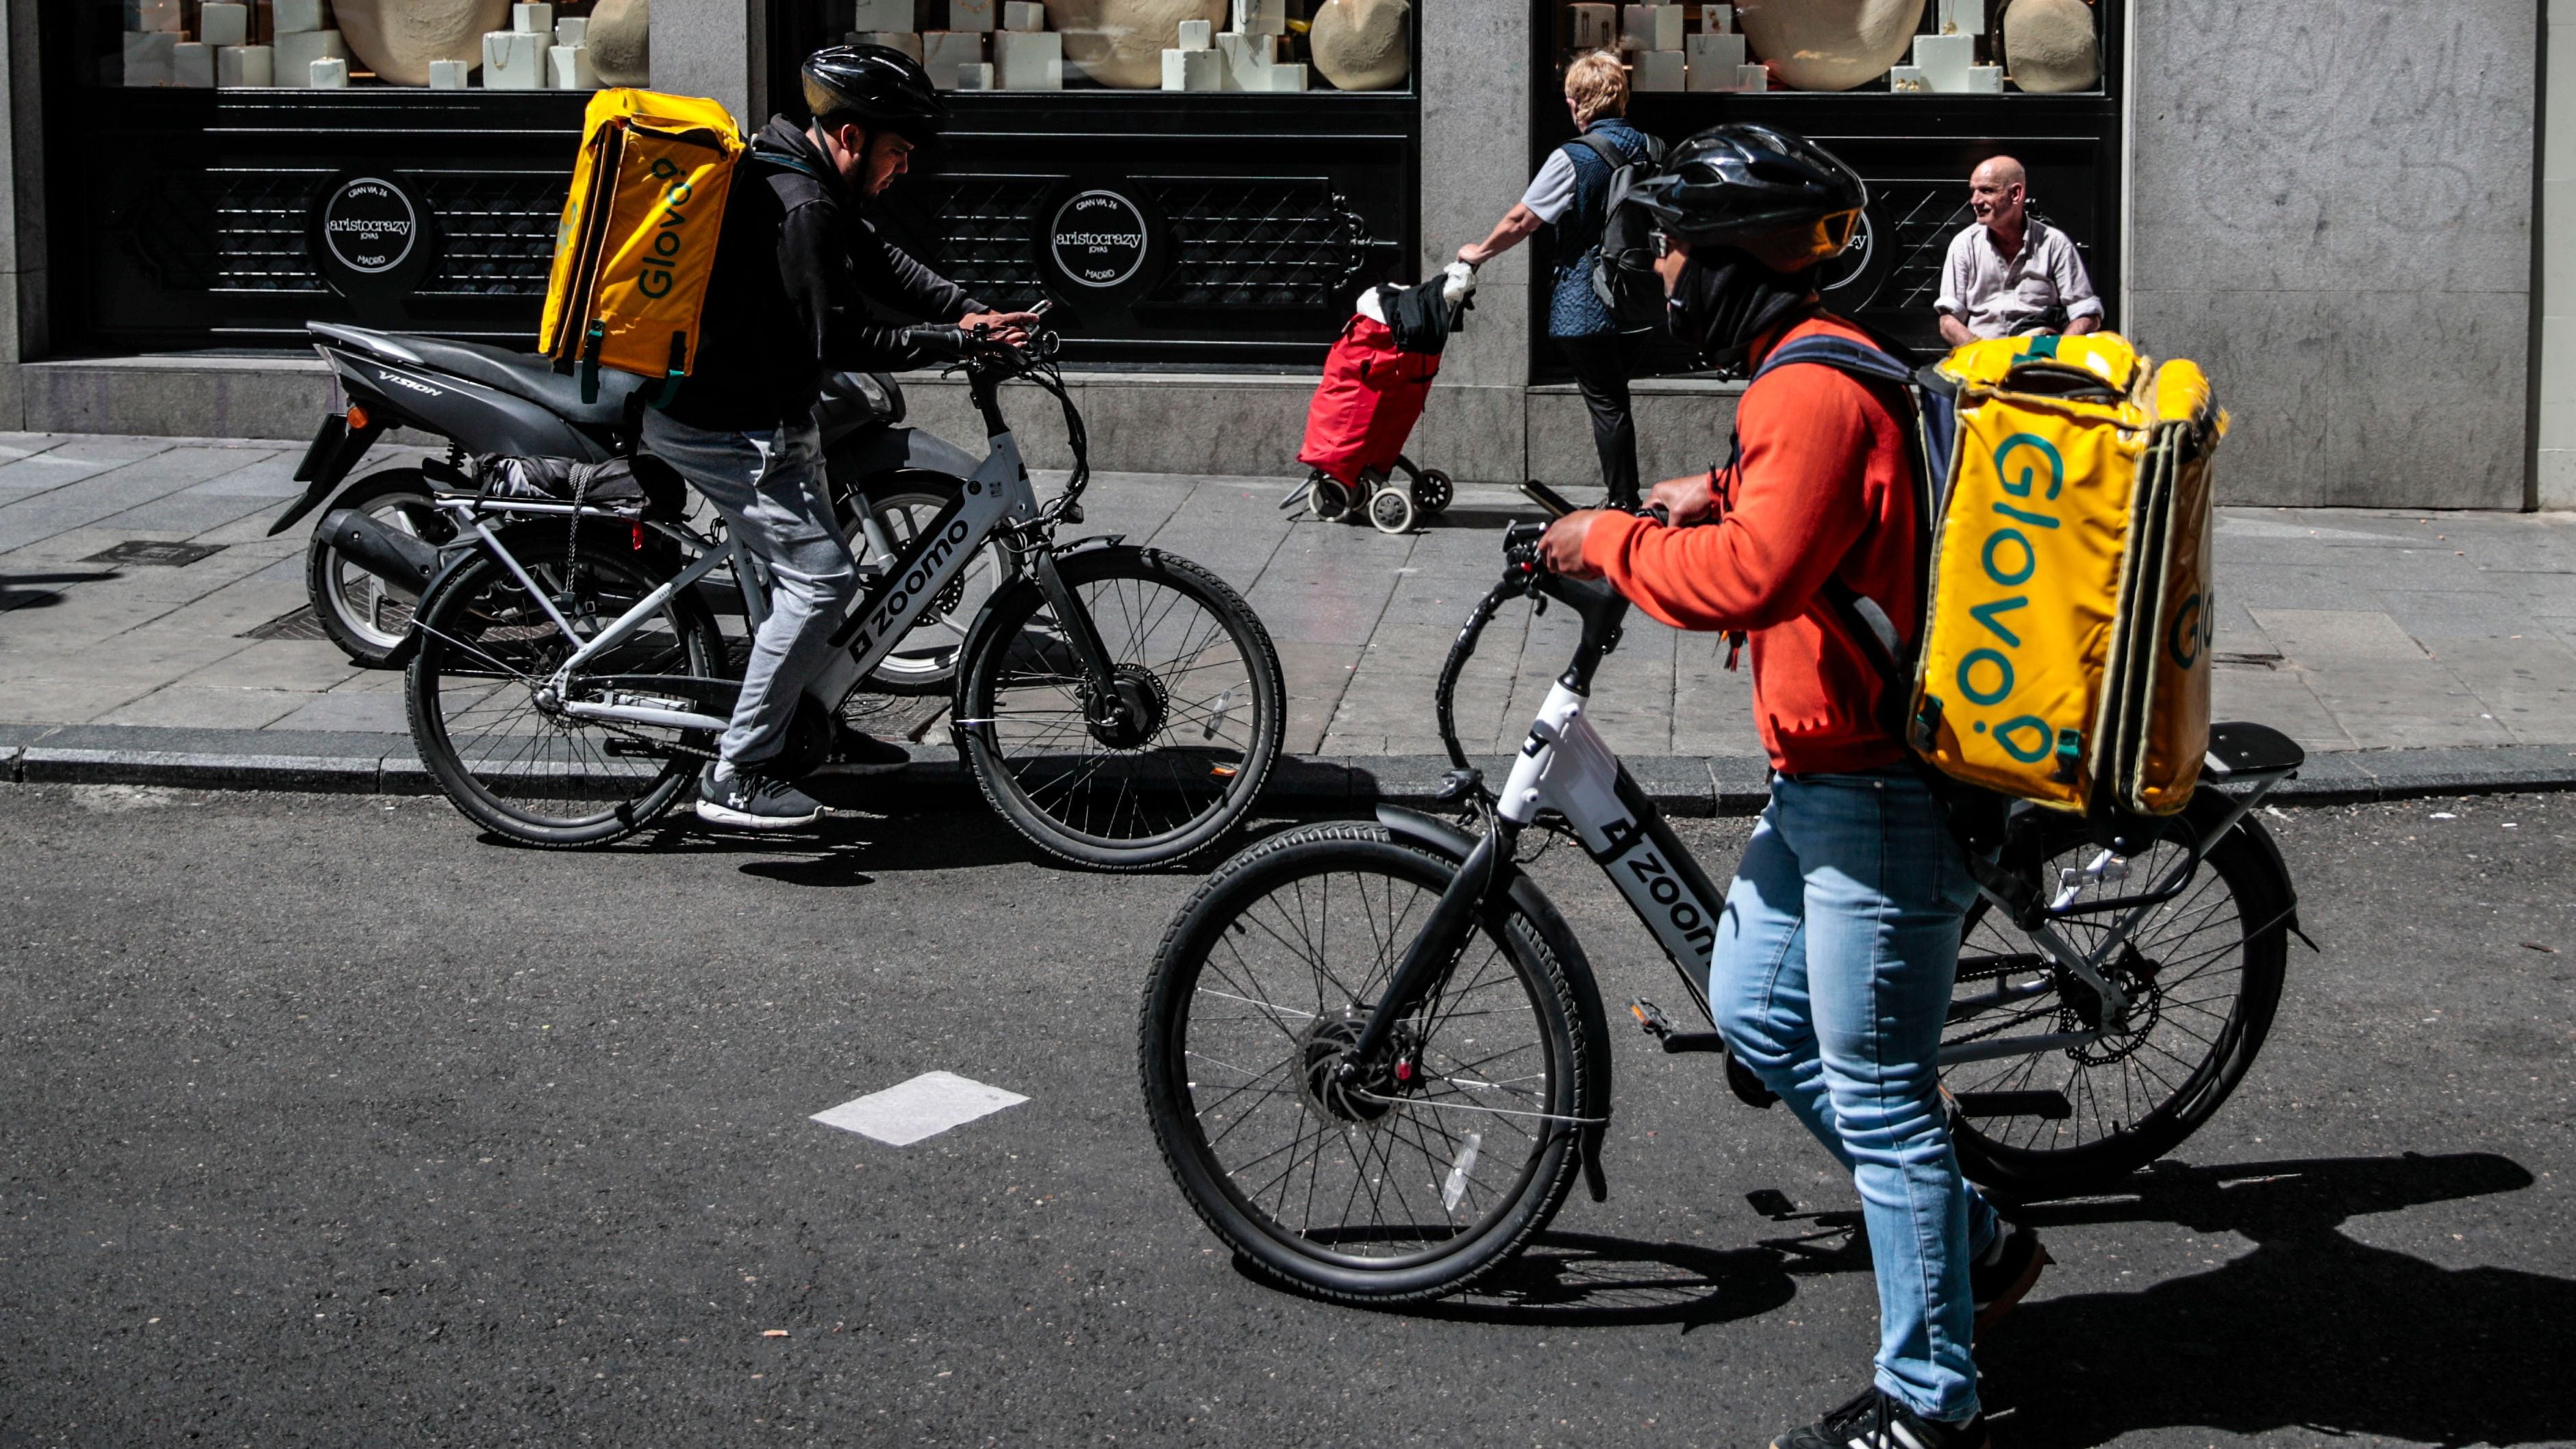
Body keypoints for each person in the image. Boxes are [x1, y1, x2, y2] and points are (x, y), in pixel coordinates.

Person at [1534, 124, 2049, 1449]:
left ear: (1731, 265)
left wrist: (1609, 539)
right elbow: (1820, 502)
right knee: (1759, 1017)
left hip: (1879, 795)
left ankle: (1930, 1404)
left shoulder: (1803, 389)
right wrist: (1714, 487)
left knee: (1880, 1098)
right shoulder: (1821, 374)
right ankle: (1975, 1244)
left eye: (1673, 249)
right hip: (1821, 782)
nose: (1657, 272)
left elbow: (1752, 579)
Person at [649, 45, 1041, 831]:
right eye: (896, 151)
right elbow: (841, 339)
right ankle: (737, 773)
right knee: (823, 583)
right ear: (853, 137)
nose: (902, 169)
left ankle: (805, 722)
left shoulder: (805, 178)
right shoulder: (800, 204)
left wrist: (967, 311)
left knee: (823, 582)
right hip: (723, 423)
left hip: (764, 410)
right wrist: (956, 345)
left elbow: (880, 260)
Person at [1456, 50, 1656, 508]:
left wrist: (1479, 253)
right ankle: (1621, 498)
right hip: (1642, 300)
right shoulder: (1652, 149)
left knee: (1608, 404)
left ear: (1574, 102)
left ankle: (1623, 505)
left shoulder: (1573, 157)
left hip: (1589, 301)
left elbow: (1522, 219)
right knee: (1612, 397)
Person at [1934, 155, 2103, 345]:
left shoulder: (2054, 243)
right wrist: (1982, 355)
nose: (1975, 200)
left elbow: (2087, 313)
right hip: (1981, 357)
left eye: (1986, 191)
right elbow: (1948, 321)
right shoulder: (1964, 244)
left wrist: (2057, 353)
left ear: (2016, 194)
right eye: (1973, 191)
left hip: (2038, 356)